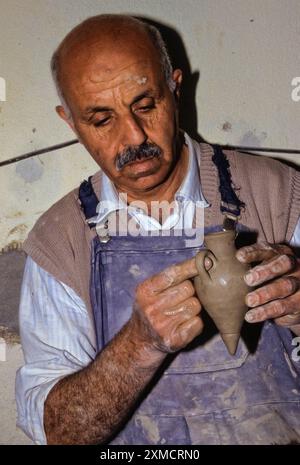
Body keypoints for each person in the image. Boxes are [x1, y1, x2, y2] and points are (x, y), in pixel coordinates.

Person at [16, 14, 300, 445]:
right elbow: (57, 432)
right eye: (101, 119)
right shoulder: (61, 240)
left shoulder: (279, 195)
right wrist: (137, 348)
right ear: (70, 122)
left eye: (146, 105)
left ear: (175, 87)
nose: (133, 137)